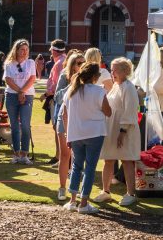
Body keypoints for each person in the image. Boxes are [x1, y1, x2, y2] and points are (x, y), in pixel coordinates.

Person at [62, 62, 112, 214]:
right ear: (95, 77)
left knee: (77, 166)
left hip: (76, 133)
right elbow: (108, 112)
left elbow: (65, 115)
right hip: (94, 133)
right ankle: (84, 203)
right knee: (90, 167)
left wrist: (67, 134)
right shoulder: (99, 91)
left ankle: (72, 200)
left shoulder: (71, 90)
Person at [98, 57, 140, 207]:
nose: (112, 73)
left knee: (127, 160)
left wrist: (122, 131)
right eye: (111, 70)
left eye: (115, 70)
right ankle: (106, 191)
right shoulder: (116, 86)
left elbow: (130, 111)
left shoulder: (129, 87)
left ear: (124, 71)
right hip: (111, 129)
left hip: (124, 130)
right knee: (108, 159)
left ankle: (131, 193)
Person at [53, 52, 84, 201]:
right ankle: (62, 188)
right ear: (72, 64)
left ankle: (76, 187)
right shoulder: (63, 76)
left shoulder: (87, 78)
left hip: (80, 119)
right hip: (64, 117)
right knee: (65, 155)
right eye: (78, 63)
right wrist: (72, 84)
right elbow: (57, 97)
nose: (81, 66)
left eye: (83, 63)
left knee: (78, 156)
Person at [4, 39, 37, 164]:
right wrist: (19, 91)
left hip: (27, 95)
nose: (24, 52)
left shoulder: (30, 63)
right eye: (22, 49)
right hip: (12, 95)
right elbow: (8, 80)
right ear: (16, 50)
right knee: (14, 126)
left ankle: (24, 154)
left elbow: (32, 78)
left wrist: (22, 91)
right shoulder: (9, 63)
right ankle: (16, 153)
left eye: (26, 50)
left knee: (25, 124)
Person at [44, 39, 68, 165]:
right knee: (60, 129)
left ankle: (60, 157)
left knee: (59, 129)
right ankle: (60, 156)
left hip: (59, 99)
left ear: (54, 50)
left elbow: (57, 85)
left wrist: (46, 94)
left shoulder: (59, 63)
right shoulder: (63, 61)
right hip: (62, 98)